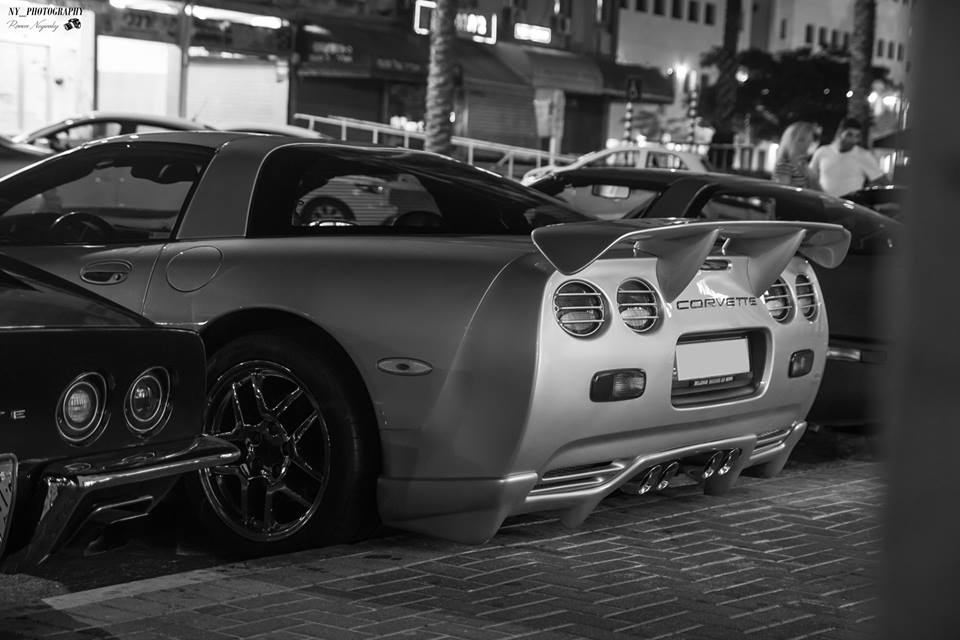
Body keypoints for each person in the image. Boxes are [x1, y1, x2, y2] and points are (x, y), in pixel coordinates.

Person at [809, 117, 888, 197]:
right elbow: (810, 177)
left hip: (850, 204)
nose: (853, 140)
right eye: (849, 135)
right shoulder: (822, 152)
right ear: (840, 133)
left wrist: (866, 195)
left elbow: (883, 181)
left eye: (857, 136)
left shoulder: (864, 155)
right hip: (824, 202)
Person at [773, 122, 821, 189]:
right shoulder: (785, 165)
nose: (807, 145)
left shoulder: (801, 164)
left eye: (810, 141)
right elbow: (783, 191)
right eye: (803, 141)